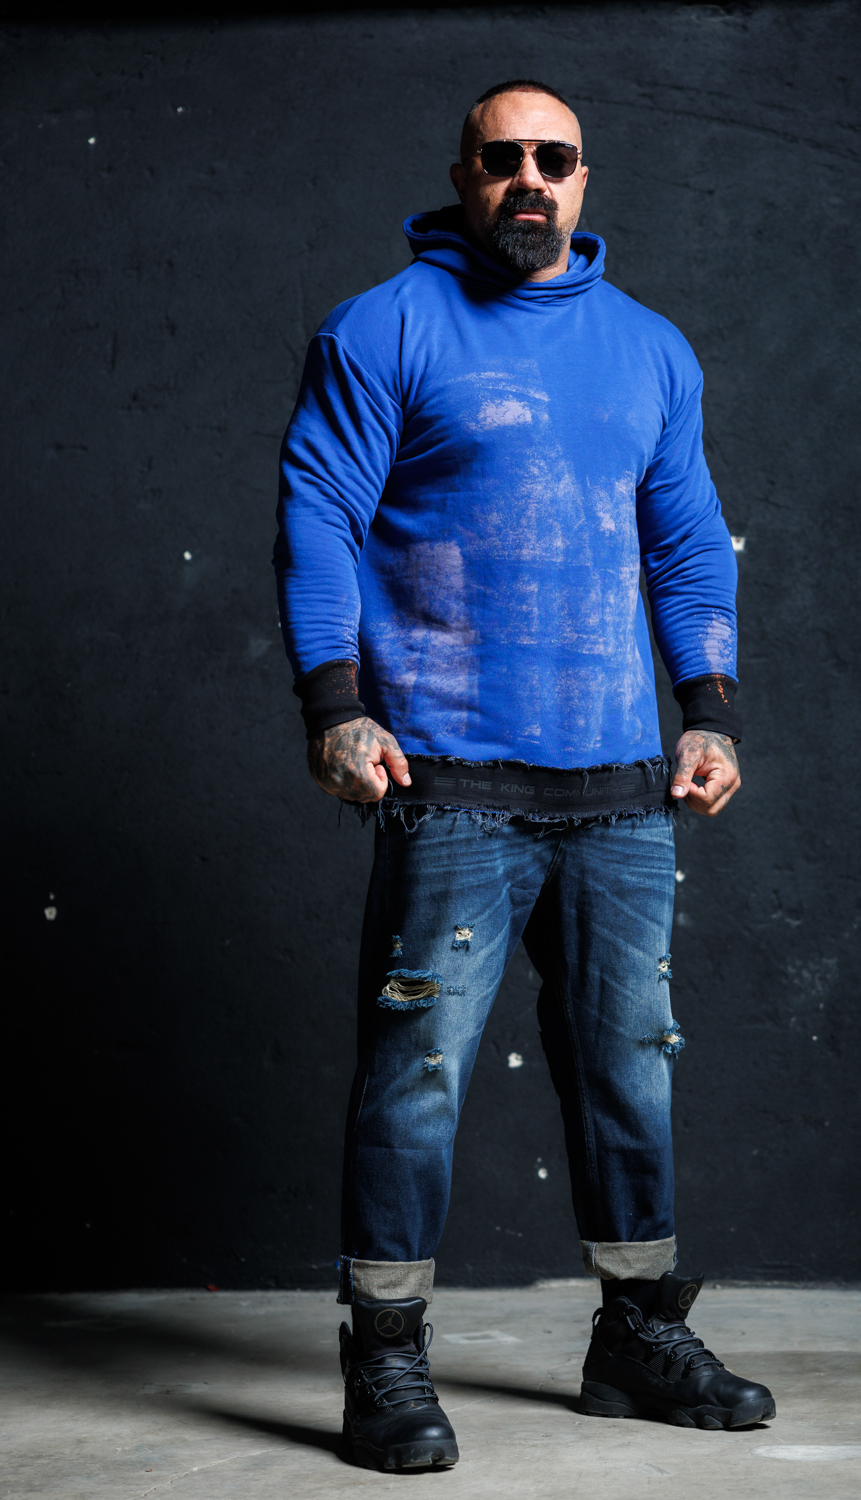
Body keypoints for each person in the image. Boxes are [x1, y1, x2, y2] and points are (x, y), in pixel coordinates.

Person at [274, 78, 774, 1473]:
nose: (530, 180)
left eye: (555, 158)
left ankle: (637, 1336)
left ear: (585, 179)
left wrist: (710, 716)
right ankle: (384, 1356)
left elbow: (687, 541)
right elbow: (318, 516)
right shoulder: (384, 329)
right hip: (446, 782)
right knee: (417, 1076)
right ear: (464, 176)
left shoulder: (651, 350)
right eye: (504, 159)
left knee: (631, 1070)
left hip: (620, 786)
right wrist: (334, 707)